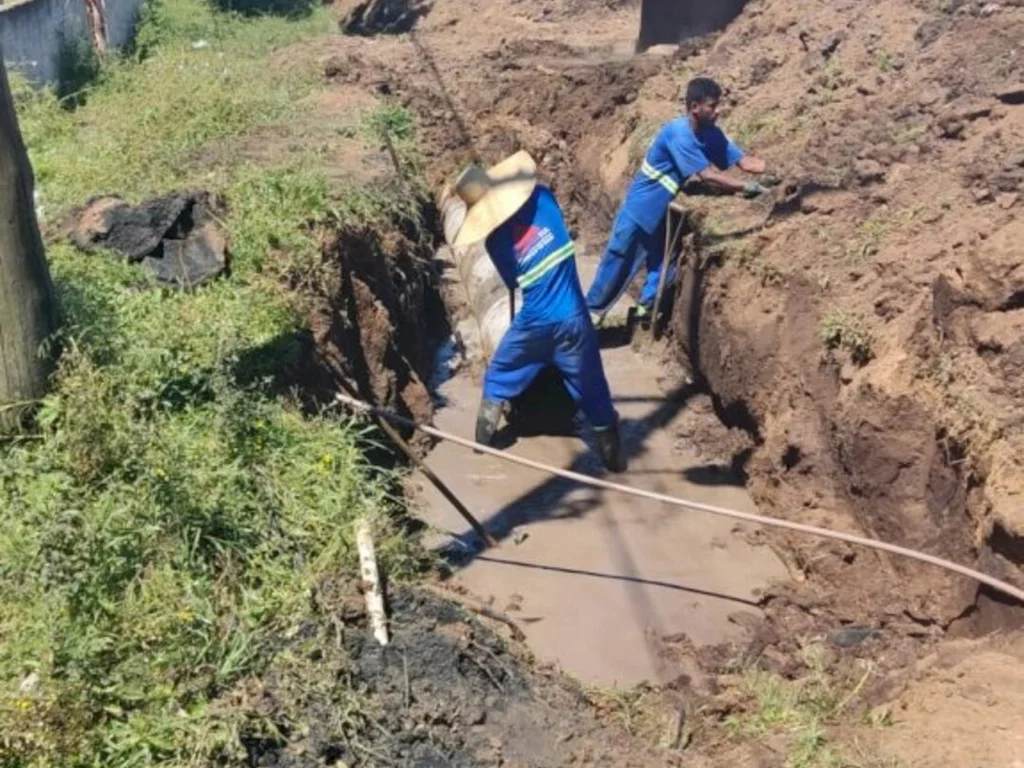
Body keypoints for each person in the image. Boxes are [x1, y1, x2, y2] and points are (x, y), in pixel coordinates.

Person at [451, 150, 626, 473]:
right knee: (594, 391)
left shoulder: (494, 242)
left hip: (533, 324)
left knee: (499, 375)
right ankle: (615, 461)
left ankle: (481, 446)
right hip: (575, 319)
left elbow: (514, 281)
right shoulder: (544, 199)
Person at [586, 76, 777, 326]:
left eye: (718, 104)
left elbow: (744, 161)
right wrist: (746, 186)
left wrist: (777, 172)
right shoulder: (678, 134)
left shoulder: (711, 134)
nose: (718, 110)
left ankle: (644, 315)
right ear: (695, 107)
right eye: (712, 105)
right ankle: (587, 319)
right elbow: (707, 175)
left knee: (665, 265)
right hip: (639, 210)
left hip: (661, 211)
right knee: (619, 262)